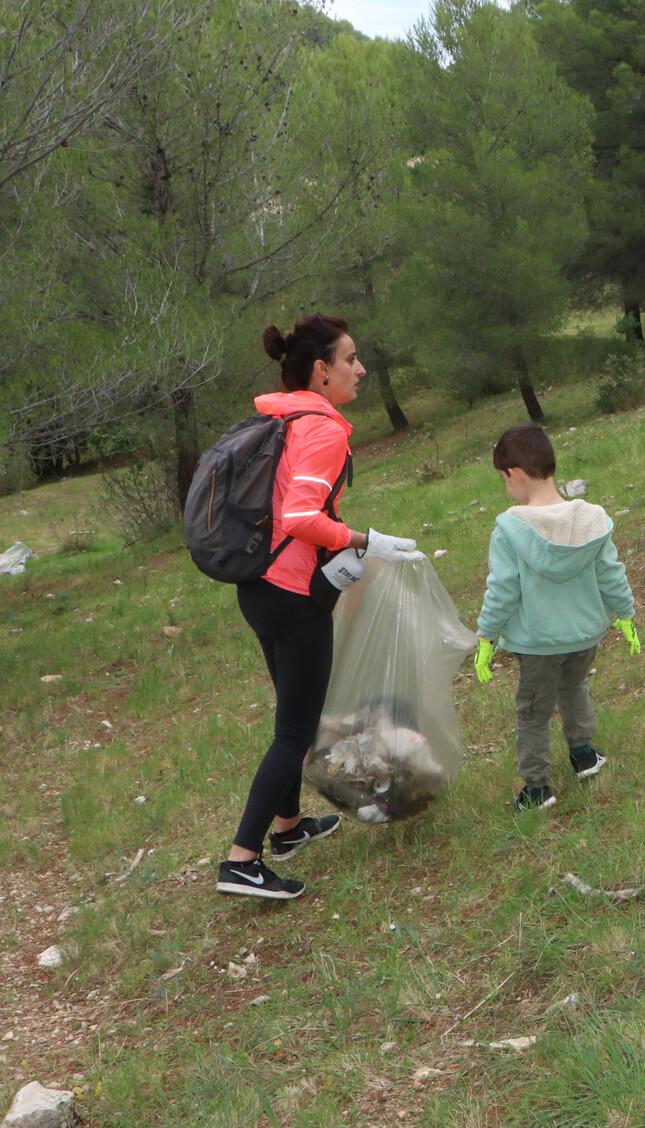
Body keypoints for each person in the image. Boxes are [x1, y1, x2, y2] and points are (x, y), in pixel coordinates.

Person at [216, 313, 419, 901]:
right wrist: (364, 541)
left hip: (256, 585)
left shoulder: (285, 416)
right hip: (290, 594)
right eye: (350, 359)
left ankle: (287, 828)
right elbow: (302, 518)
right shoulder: (325, 430)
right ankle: (241, 860)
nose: (360, 369)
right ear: (321, 370)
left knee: (291, 715)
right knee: (295, 732)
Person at [472, 424, 640, 810]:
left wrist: (486, 637)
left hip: (538, 644)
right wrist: (626, 614)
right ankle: (583, 755)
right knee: (575, 687)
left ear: (514, 474)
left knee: (532, 712)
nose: (505, 487)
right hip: (584, 637)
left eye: (503, 479)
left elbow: (502, 589)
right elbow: (611, 574)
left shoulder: (511, 527)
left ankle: (536, 788)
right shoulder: (592, 519)